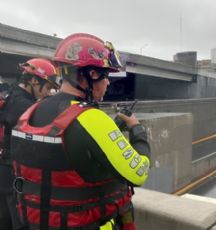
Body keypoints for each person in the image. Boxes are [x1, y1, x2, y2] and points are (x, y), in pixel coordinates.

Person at [10, 33, 150, 229]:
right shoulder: (92, 118)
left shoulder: (30, 110)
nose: (108, 83)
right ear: (91, 74)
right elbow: (139, 174)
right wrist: (137, 130)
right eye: (106, 76)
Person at [0, 58, 60, 230]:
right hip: (14, 175)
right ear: (33, 80)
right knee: (21, 223)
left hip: (2, 171)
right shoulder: (26, 107)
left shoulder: (7, 95)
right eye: (47, 87)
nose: (49, 93)